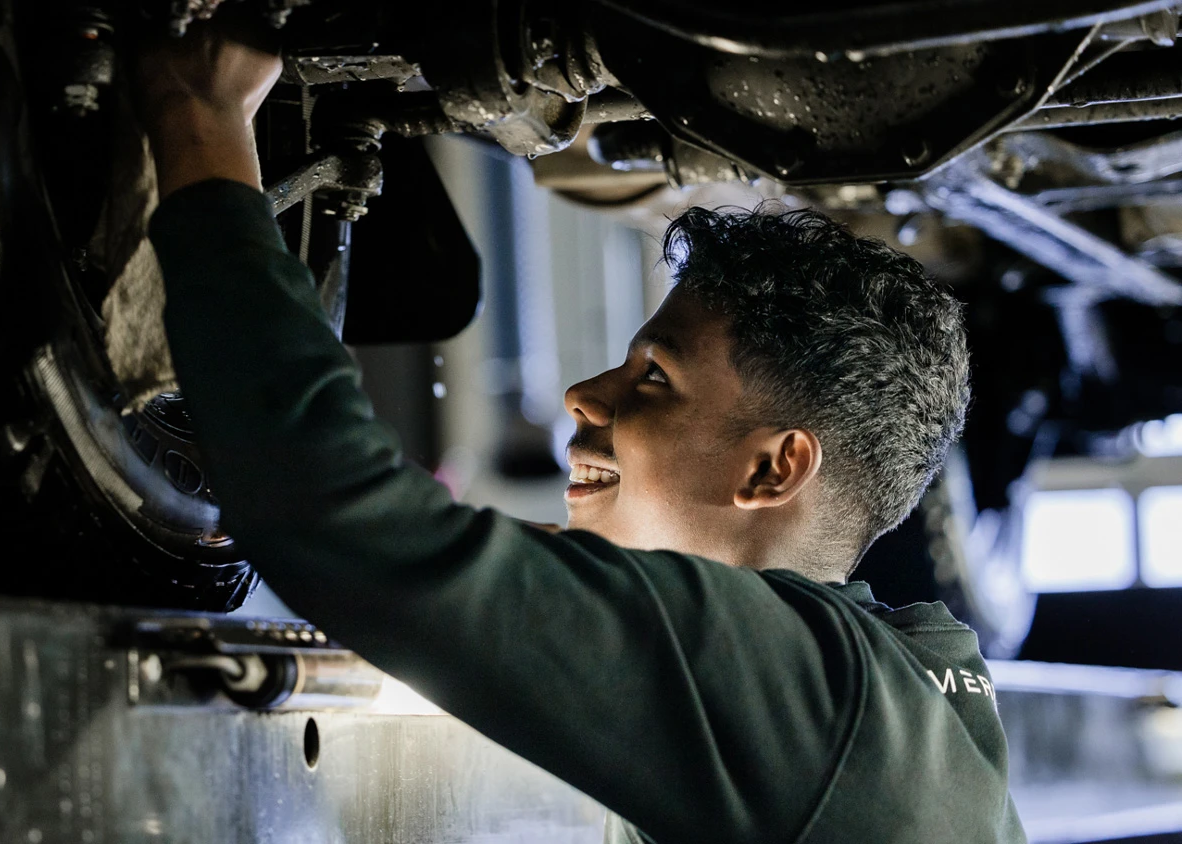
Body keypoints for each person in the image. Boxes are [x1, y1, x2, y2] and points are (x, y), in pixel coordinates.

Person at [133, 27, 1026, 844]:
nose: (580, 396)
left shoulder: (805, 694)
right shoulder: (907, 699)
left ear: (773, 468)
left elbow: (341, 522)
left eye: (653, 378)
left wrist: (203, 117)